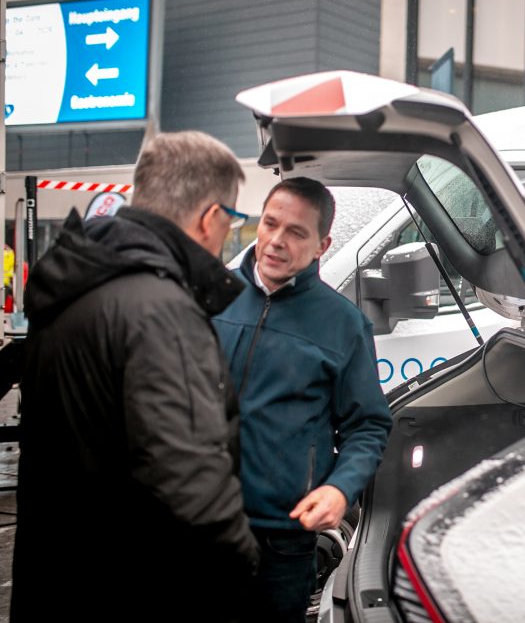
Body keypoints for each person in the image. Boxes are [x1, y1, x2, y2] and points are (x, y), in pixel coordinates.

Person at [12, 131, 260, 622]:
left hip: (55, 578)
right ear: (210, 217)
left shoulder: (76, 283)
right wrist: (243, 569)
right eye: (231, 219)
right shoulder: (161, 312)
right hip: (137, 590)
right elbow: (191, 486)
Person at [214, 177, 392, 622]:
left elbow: (368, 426)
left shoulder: (343, 325)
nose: (276, 240)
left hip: (282, 541)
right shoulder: (213, 298)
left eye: (296, 232)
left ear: (321, 246)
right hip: (199, 522)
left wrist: (339, 488)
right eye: (270, 224)